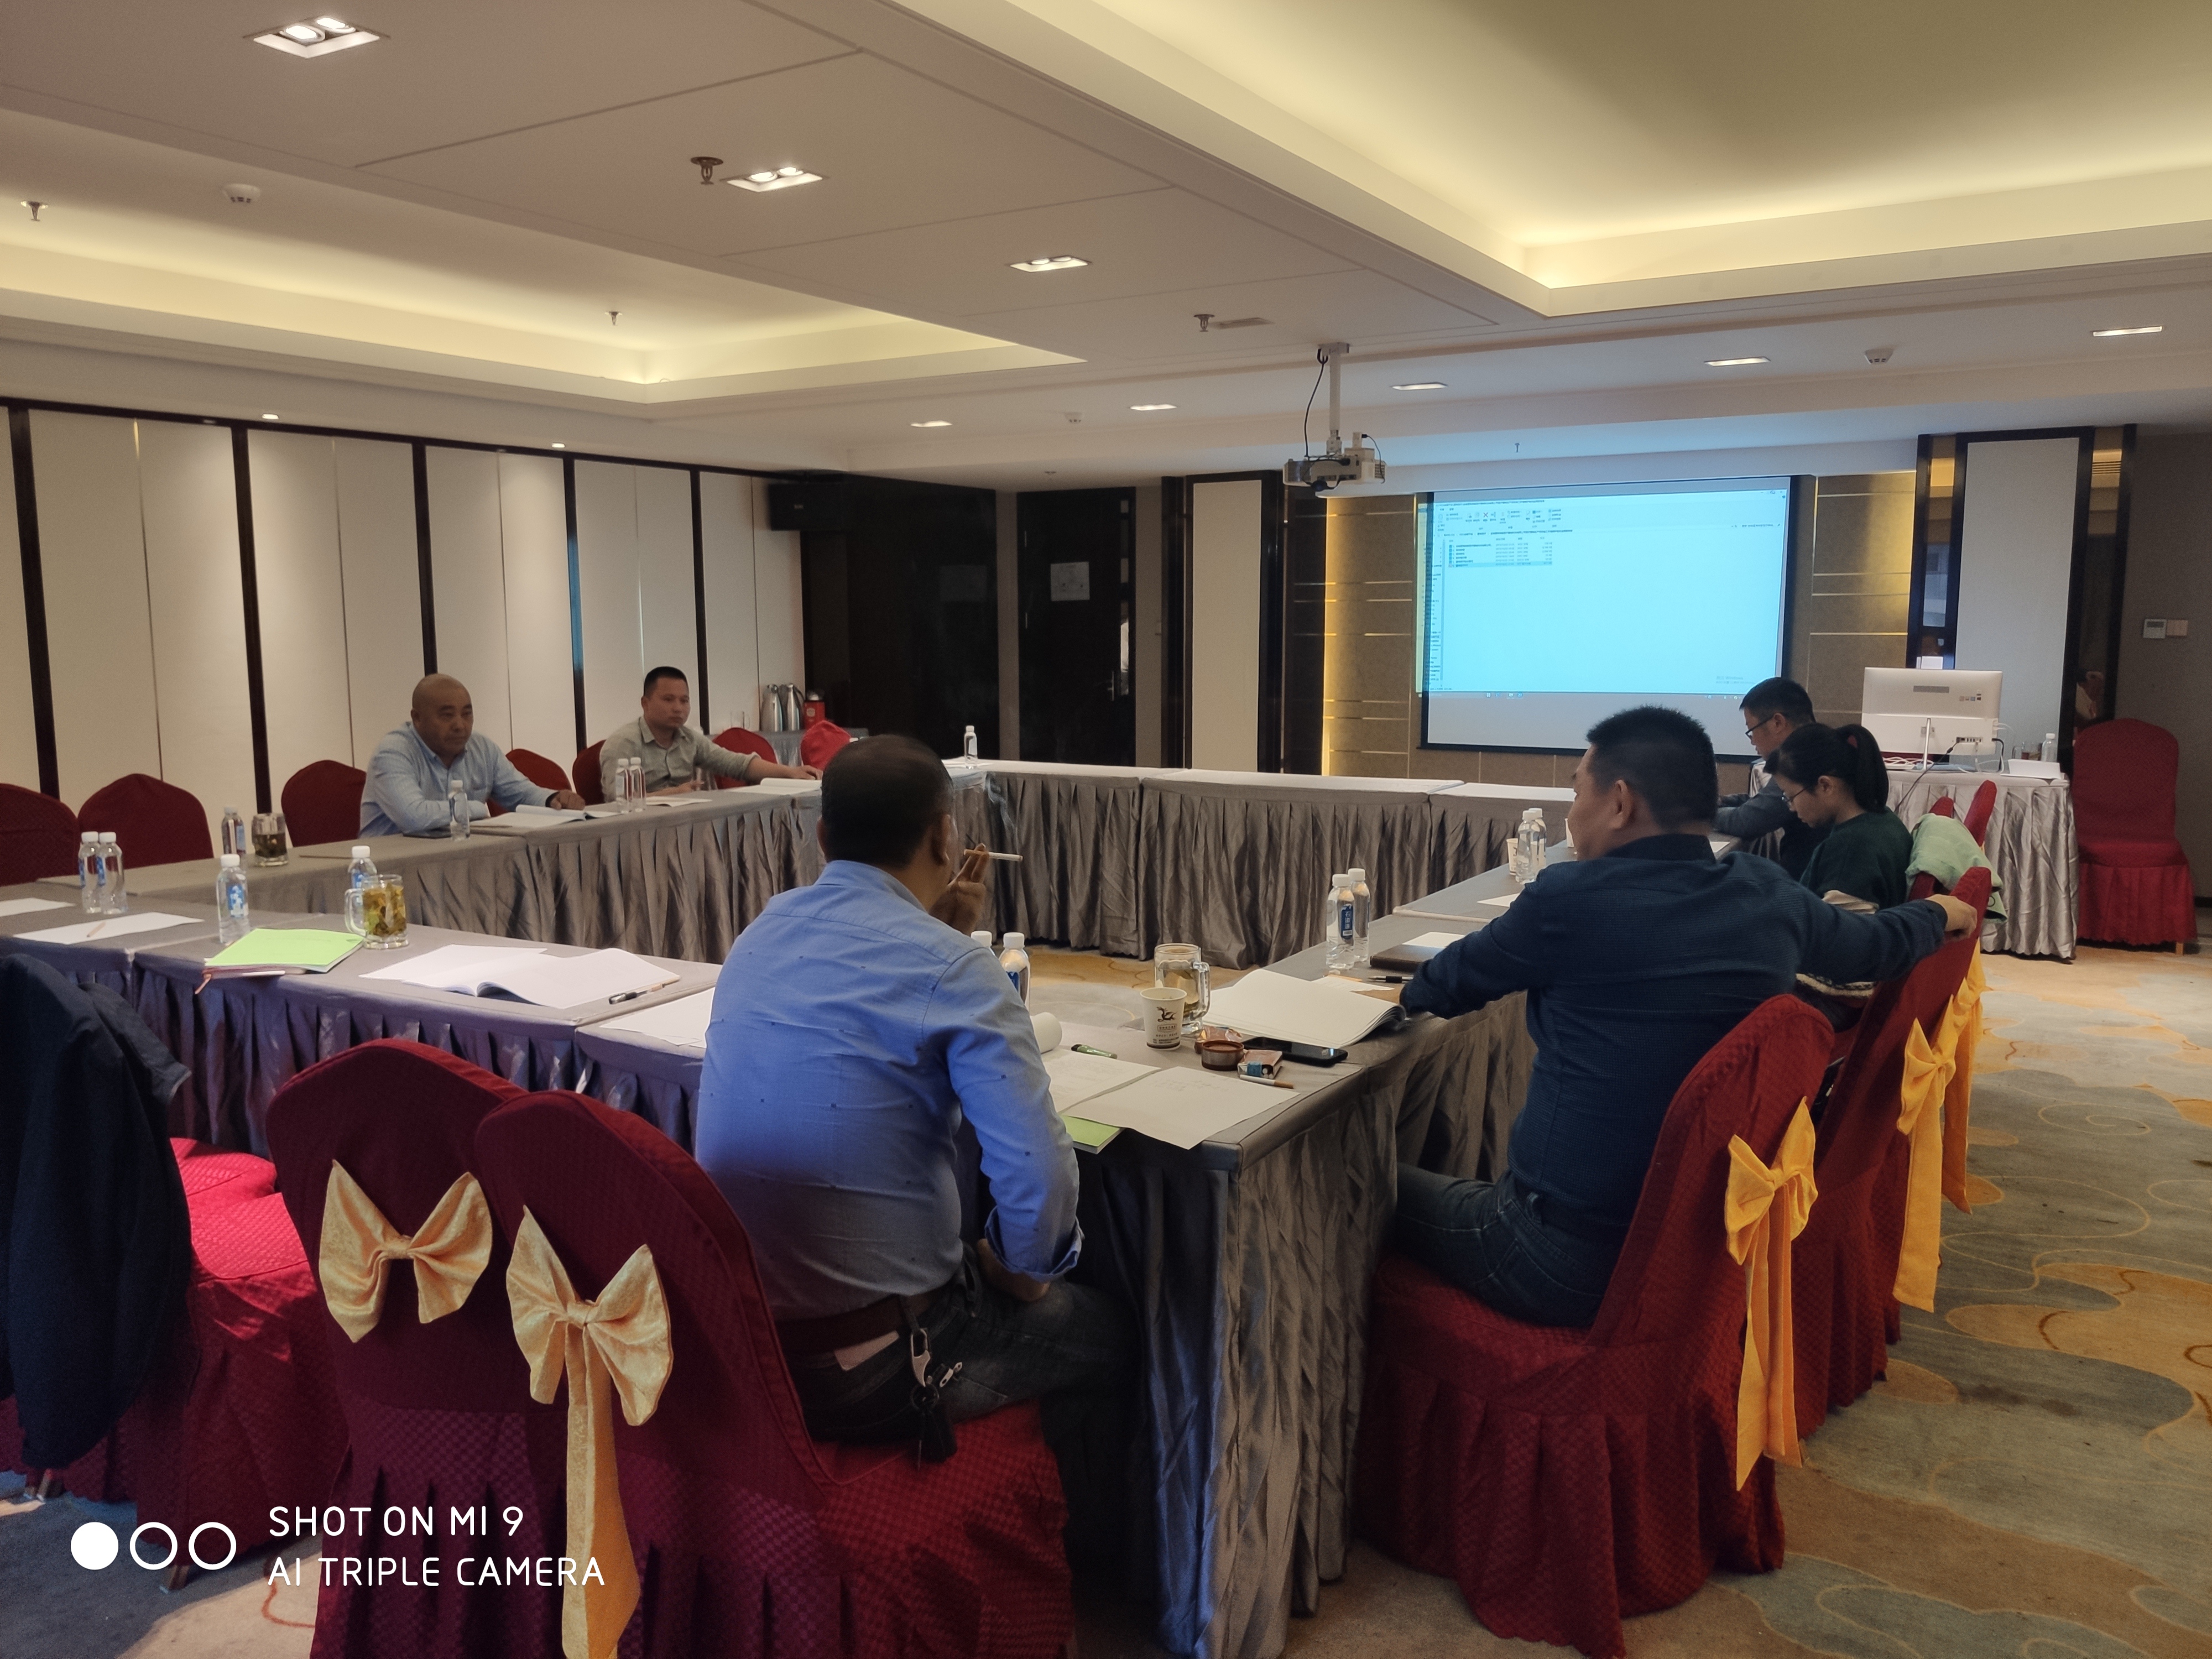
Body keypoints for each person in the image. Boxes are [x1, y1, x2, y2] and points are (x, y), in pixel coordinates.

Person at [1392, 706, 1978, 1327]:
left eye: (1577, 792)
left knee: (1358, 1182)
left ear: (1619, 803)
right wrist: (1938, 912)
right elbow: (1875, 946)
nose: (1572, 813)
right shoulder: (1767, 892)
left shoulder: (1565, 900)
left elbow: (1437, 987)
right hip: (1709, 1246)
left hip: (1555, 1259)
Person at [693, 735, 1129, 1559]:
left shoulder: (758, 936)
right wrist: (1024, 1271)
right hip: (885, 1366)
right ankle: (1038, 1554)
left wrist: (937, 933)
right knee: (1111, 1336)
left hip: (746, 1350)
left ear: (821, 838)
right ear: (943, 837)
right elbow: (1040, 1182)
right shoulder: (956, 971)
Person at [359, 675, 583, 836]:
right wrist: (476, 808)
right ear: (417, 718)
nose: (460, 725)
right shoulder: (393, 753)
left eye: (467, 714)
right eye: (447, 716)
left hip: (459, 859)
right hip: (388, 873)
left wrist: (553, 800)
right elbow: (414, 817)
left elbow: (522, 794)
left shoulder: (482, 748)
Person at [598, 667, 818, 798]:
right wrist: (674, 794)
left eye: (684, 701)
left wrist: (791, 773)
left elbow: (736, 764)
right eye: (668, 700)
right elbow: (619, 800)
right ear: (645, 703)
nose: (678, 708)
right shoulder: (623, 743)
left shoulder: (689, 738)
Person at [1769, 721, 1913, 910]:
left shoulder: (1850, 850)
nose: (1792, 808)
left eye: (1791, 797)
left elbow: (1844, 928)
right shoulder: (1884, 818)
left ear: (1825, 786)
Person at [1714, 676, 1828, 878]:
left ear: (1777, 723)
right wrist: (1724, 801)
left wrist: (1701, 813)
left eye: (1751, 731)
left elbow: (1749, 820)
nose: (1752, 742)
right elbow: (1764, 802)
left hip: (1804, 879)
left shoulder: (1802, 757)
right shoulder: (1818, 745)